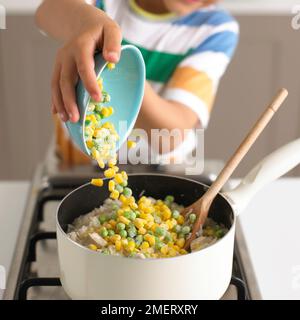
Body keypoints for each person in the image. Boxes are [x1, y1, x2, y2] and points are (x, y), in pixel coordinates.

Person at [35, 0, 239, 166]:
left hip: (159, 169)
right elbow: (46, 12)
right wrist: (86, 23)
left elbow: (171, 135)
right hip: (76, 162)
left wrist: (127, 75)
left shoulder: (215, 29)